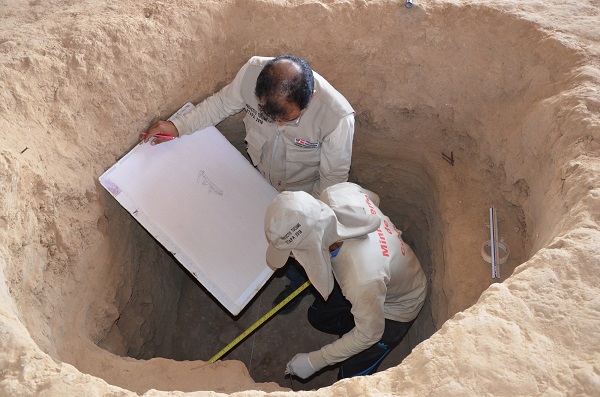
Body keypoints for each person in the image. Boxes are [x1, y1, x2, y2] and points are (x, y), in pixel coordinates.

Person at [143, 55, 355, 314]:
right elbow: (221, 104)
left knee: (301, 248)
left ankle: (301, 283)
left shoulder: (337, 118)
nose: (277, 123)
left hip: (303, 195)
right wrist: (179, 126)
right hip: (257, 180)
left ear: (309, 99)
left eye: (286, 118)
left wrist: (304, 224)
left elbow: (332, 183)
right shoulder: (252, 73)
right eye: (270, 114)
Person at [264, 182, 427, 380]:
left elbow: (370, 334)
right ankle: (359, 323)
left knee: (350, 375)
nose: (293, 258)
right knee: (319, 317)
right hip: (381, 275)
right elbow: (374, 199)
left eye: (293, 253)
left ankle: (356, 338)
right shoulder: (336, 193)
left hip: (399, 306)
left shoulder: (360, 278)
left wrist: (316, 360)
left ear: (314, 247)